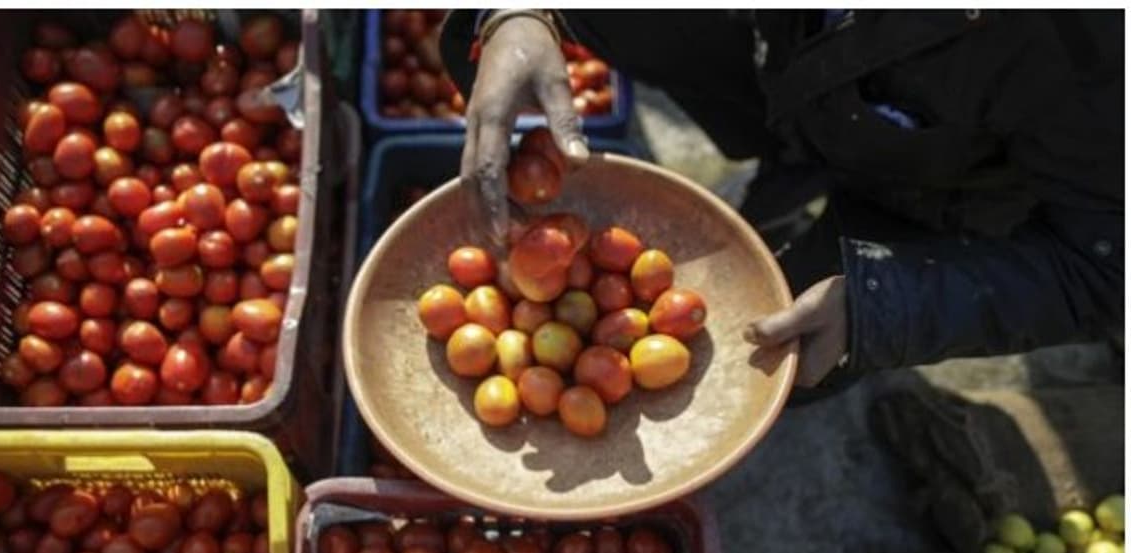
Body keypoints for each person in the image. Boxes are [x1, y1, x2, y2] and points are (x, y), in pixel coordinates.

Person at [438, 10, 1124, 392]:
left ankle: (830, 210)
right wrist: (521, 13)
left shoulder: (1087, 48)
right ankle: (791, 167)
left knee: (761, 363)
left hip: (943, 190)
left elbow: (1106, 270)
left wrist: (880, 309)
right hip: (789, 59)